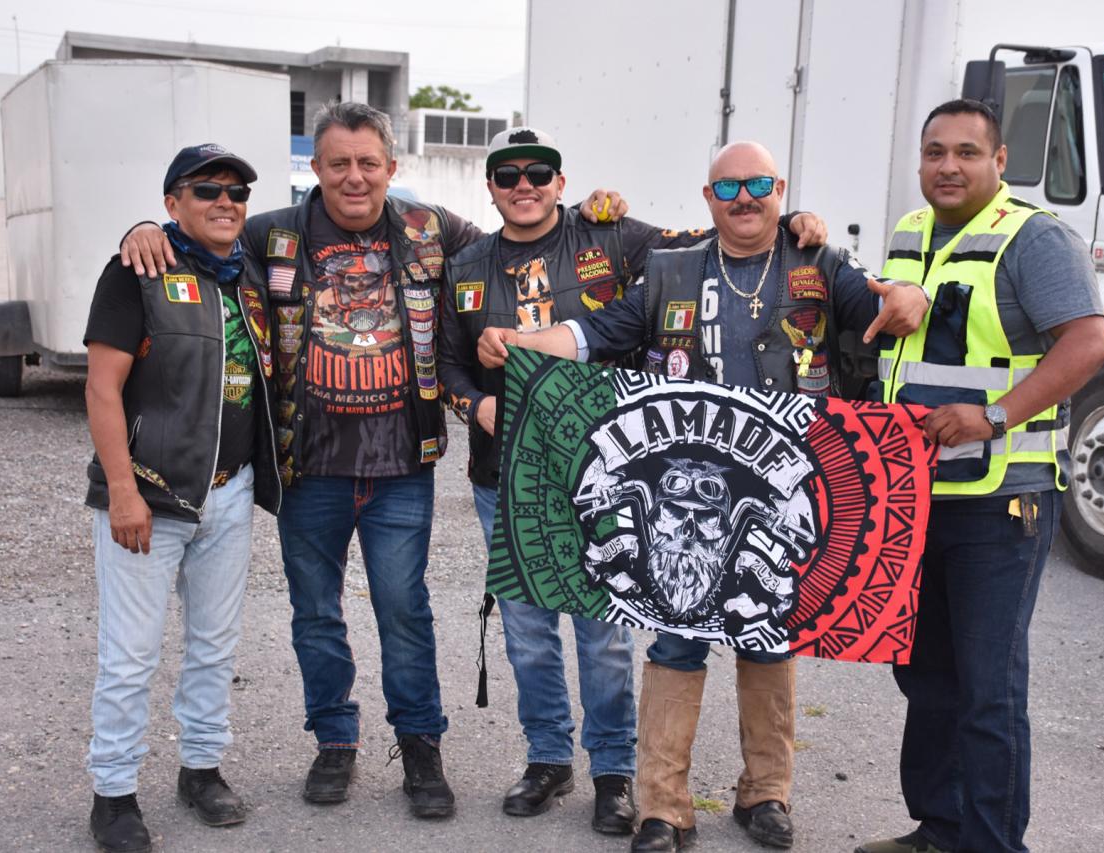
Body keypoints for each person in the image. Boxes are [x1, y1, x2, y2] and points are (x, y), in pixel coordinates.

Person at [117, 102, 634, 819]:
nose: (354, 177)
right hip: (309, 468)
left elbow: (522, 238)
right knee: (316, 614)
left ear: (392, 168)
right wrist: (145, 229)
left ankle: (420, 749)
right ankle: (335, 741)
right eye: (339, 164)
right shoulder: (272, 234)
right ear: (316, 169)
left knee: (404, 610)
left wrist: (592, 214)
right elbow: (204, 237)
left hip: (401, 470)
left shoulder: (433, 229)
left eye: (368, 163)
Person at [476, 140, 929, 852]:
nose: (744, 198)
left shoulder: (819, 263)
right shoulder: (671, 269)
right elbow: (594, 333)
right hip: (681, 489)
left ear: (780, 189)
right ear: (708, 197)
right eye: (729, 187)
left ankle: (766, 794)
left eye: (758, 185)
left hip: (774, 483)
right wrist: (523, 340)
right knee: (675, 638)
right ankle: (663, 806)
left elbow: (889, 299)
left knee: (770, 638)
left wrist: (912, 295)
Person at [438, 128, 827, 835]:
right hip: (510, 473)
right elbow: (447, 363)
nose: (524, 185)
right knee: (528, 632)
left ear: (561, 182)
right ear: (489, 186)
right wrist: (477, 405)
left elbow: (720, 235)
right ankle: (548, 759)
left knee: (610, 633)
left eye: (539, 173)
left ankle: (616, 773)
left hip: (610, 470)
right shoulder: (465, 262)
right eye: (508, 175)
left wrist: (794, 221)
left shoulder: (616, 237)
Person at [855, 99, 1104, 853]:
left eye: (967, 152)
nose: (948, 166)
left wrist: (994, 416)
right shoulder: (911, 232)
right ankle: (940, 828)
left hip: (1002, 503)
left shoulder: (1036, 239)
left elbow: (1089, 344)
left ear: (999, 162)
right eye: (935, 151)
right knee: (927, 675)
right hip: (916, 495)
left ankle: (994, 843)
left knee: (987, 689)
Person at [83, 143, 279, 852]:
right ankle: (112, 794)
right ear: (173, 203)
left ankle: (201, 769)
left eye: (237, 192)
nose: (225, 202)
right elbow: (101, 388)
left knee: (213, 646)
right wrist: (123, 491)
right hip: (151, 498)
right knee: (130, 655)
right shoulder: (137, 271)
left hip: (230, 494)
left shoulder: (249, 273)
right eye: (206, 191)